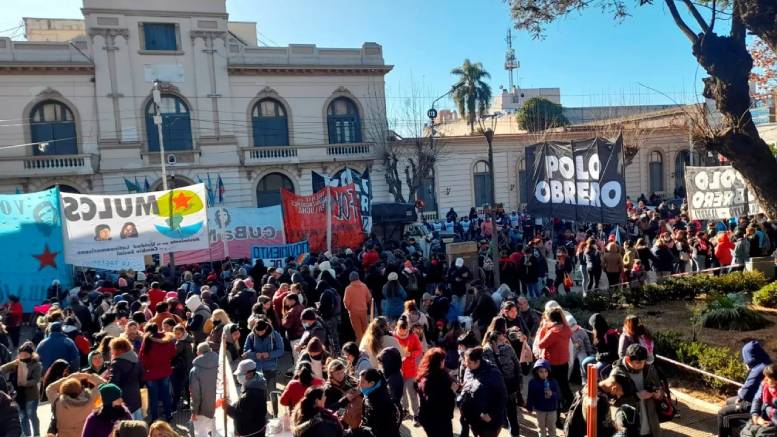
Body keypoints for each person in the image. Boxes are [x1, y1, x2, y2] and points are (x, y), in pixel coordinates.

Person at [718, 340, 772, 437]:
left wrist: (740, 395)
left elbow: (745, 393)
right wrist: (741, 395)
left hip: (757, 407)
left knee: (723, 414)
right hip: (757, 401)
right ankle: (735, 431)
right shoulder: (765, 363)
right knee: (729, 401)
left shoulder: (759, 369)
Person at [611, 344, 663, 437]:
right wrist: (637, 396)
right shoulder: (617, 374)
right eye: (638, 362)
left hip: (651, 425)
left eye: (644, 362)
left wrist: (658, 394)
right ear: (627, 359)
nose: (642, 365)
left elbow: (659, 389)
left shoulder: (648, 368)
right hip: (630, 427)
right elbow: (614, 401)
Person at [458, 346, 508, 437]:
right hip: (474, 419)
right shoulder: (468, 369)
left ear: (477, 362)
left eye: (469, 362)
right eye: (465, 361)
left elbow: (502, 397)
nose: (466, 364)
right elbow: (468, 386)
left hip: (489, 422)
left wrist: (491, 414)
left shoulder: (493, 373)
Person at [482, 330, 521, 436]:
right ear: (493, 342)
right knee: (499, 408)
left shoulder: (508, 348)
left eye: (503, 338)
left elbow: (516, 363)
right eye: (501, 339)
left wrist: (518, 379)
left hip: (509, 384)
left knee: (511, 409)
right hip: (497, 386)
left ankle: (514, 431)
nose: (504, 340)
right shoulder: (486, 351)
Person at [44, 372, 106, 437]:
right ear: (81, 389)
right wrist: (90, 377)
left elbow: (49, 388)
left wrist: (71, 377)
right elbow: (106, 386)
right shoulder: (90, 400)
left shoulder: (58, 402)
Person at [0, 342, 41, 437]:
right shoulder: (16, 364)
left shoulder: (36, 365)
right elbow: (1, 369)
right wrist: (13, 363)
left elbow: (36, 380)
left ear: (31, 354)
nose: (23, 356)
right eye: (21, 354)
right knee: (23, 416)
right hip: (19, 396)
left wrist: (25, 383)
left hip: (31, 395)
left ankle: (36, 434)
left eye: (26, 354)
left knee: (31, 415)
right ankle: (27, 435)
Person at [537, 307, 574, 407]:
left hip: (552, 364)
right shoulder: (566, 328)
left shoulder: (552, 333)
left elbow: (540, 345)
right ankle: (570, 402)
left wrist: (543, 330)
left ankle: (556, 404)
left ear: (550, 319)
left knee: (552, 385)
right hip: (564, 361)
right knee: (564, 384)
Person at [138, 323, 175, 422]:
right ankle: (169, 415)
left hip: (150, 373)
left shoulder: (147, 340)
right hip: (165, 371)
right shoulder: (166, 338)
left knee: (153, 397)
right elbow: (172, 353)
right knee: (166, 395)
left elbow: (142, 357)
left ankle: (155, 418)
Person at [416, 348, 456, 437]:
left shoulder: (425, 373)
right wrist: (452, 391)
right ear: (439, 362)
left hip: (428, 417)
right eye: (443, 360)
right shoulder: (434, 379)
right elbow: (436, 402)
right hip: (437, 420)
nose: (444, 362)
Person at [223, 359, 268, 437]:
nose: (238, 376)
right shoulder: (256, 383)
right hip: (257, 428)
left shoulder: (251, 393)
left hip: (251, 433)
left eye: (241, 374)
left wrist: (227, 408)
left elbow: (241, 416)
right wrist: (234, 405)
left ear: (250, 373)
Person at [394, 318, 423, 426]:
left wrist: (411, 354)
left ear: (407, 329)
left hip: (410, 370)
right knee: (401, 393)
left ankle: (416, 414)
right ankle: (405, 410)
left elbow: (419, 349)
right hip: (397, 370)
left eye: (404, 331)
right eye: (400, 331)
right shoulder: (393, 336)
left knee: (412, 393)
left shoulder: (413, 336)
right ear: (397, 328)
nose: (402, 333)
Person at [108, 337, 144, 420]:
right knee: (138, 422)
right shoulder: (135, 358)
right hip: (135, 395)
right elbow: (142, 377)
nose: (111, 351)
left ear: (117, 349)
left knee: (128, 425)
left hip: (124, 398)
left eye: (112, 348)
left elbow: (113, 383)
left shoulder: (117, 363)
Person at [359, 368, 401, 437]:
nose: (359, 385)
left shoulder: (378, 402)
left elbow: (378, 429)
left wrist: (360, 429)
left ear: (372, 383)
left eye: (362, 382)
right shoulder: (378, 390)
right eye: (359, 381)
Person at [190, 342, 220, 437]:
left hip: (203, 409)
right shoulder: (221, 364)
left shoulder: (195, 370)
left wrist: (194, 411)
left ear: (199, 353)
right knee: (218, 432)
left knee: (201, 433)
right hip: (219, 405)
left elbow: (195, 394)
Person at [322, 359, 361, 429]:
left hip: (357, 416)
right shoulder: (328, 389)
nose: (340, 375)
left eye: (342, 372)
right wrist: (346, 399)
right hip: (341, 423)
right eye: (337, 373)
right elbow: (328, 410)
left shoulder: (350, 380)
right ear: (331, 374)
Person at [526, 359, 560, 437]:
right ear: (536, 372)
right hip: (540, 409)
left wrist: (552, 394)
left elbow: (558, 395)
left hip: (552, 409)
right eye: (541, 371)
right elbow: (530, 395)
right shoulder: (533, 382)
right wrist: (529, 407)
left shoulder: (553, 381)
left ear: (549, 371)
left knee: (552, 427)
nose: (544, 374)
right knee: (541, 427)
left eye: (546, 371)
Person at [744, 363, 777, 436]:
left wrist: (765, 421)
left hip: (772, 421)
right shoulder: (765, 385)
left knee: (760, 433)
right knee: (747, 432)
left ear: (776, 380)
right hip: (763, 416)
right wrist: (755, 415)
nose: (765, 379)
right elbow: (757, 398)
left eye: (768, 378)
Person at [343, 271, 372, 343]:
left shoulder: (348, 288)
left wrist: (349, 308)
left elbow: (346, 302)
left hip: (353, 313)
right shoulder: (364, 286)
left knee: (358, 332)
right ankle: (368, 344)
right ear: (358, 277)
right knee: (366, 329)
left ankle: (361, 347)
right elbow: (369, 297)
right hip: (363, 311)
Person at [172, 324, 194, 410]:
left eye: (178, 333)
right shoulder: (189, 339)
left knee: (180, 387)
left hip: (183, 368)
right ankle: (189, 404)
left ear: (183, 333)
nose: (177, 335)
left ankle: (174, 407)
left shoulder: (181, 342)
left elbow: (174, 354)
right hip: (189, 366)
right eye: (175, 333)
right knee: (188, 387)